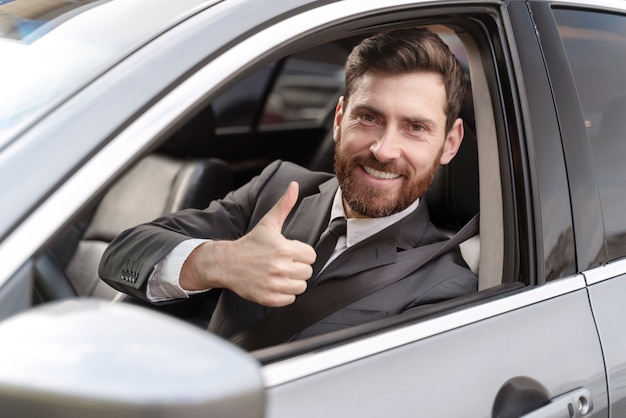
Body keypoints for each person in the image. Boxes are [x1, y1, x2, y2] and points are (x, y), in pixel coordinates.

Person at [99, 27, 478, 347]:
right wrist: (218, 261)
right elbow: (121, 256)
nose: (384, 149)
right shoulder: (278, 187)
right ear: (340, 119)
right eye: (368, 117)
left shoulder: (446, 286)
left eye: (415, 128)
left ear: (449, 143)